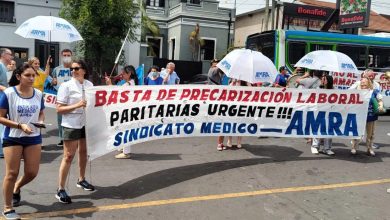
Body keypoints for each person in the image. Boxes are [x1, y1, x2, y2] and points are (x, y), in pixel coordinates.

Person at [0, 63, 45, 220]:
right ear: (19, 77)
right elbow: (0, 117)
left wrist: (40, 122)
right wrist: (19, 125)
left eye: (33, 75)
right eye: (28, 75)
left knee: (32, 172)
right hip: (13, 137)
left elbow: (41, 113)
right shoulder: (9, 94)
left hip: (33, 137)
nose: (32, 78)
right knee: (12, 173)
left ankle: (17, 188)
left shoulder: (39, 94)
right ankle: (7, 208)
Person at [56, 60, 94, 204]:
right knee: (68, 156)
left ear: (84, 70)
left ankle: (81, 179)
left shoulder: (89, 85)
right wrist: (77, 104)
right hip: (71, 124)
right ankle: (60, 189)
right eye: (72, 69)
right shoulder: (66, 86)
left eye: (77, 68)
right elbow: (59, 109)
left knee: (84, 152)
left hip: (86, 123)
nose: (73, 71)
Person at [105, 65, 138, 159]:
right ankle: (123, 148)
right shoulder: (129, 83)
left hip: (127, 111)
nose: (122, 75)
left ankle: (126, 152)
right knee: (122, 129)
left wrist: (109, 84)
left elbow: (116, 92)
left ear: (129, 73)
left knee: (126, 130)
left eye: (123, 73)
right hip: (126, 110)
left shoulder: (129, 85)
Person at [351, 77, 384, 156]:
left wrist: (381, 106)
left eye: (364, 82)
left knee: (370, 134)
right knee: (356, 133)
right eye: (361, 82)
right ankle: (354, 148)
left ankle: (370, 149)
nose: (363, 84)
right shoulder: (356, 92)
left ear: (369, 83)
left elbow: (380, 100)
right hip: (359, 116)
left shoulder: (375, 92)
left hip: (371, 116)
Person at [296, 70, 322, 154]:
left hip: (307, 105)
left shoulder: (307, 80)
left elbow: (297, 80)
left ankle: (311, 139)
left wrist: (304, 75)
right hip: (318, 105)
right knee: (316, 124)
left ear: (313, 73)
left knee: (308, 122)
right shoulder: (322, 82)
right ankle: (314, 142)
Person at [52, 49, 73, 147]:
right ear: (61, 56)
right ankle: (62, 138)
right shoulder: (56, 69)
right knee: (60, 119)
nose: (66, 56)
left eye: (68, 55)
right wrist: (53, 82)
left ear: (71, 56)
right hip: (61, 97)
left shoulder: (74, 68)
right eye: (64, 55)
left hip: (73, 97)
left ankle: (72, 137)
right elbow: (52, 82)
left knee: (73, 117)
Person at [312, 73, 335, 156]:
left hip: (330, 113)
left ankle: (327, 148)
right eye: (322, 78)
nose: (322, 80)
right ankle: (315, 147)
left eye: (324, 79)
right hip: (319, 112)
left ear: (328, 81)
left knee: (329, 131)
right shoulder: (318, 88)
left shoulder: (334, 90)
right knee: (318, 129)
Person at [0, 48, 13, 159]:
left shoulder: (4, 67)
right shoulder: (0, 66)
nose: (12, 57)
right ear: (4, 55)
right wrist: (6, 89)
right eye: (10, 55)